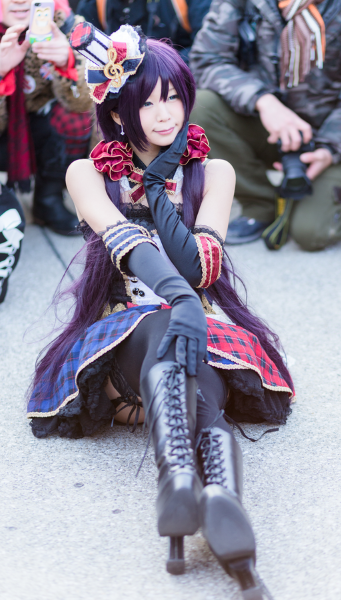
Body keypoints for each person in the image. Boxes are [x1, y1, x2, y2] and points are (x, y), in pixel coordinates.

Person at [27, 21, 294, 598]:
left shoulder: (214, 172)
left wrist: (158, 182)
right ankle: (209, 492)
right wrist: (181, 300)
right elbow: (127, 243)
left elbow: (200, 267)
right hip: (125, 331)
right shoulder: (87, 173)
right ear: (119, 111)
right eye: (147, 102)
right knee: (170, 330)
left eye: (172, 97)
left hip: (199, 331)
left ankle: (196, 487)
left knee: (192, 370)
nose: (164, 113)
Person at [190, 0, 341, 250]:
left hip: (328, 134)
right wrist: (262, 101)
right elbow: (206, 61)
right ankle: (260, 202)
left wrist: (330, 149)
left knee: (313, 233)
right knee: (201, 106)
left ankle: (310, 196)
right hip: (260, 123)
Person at [0, 0, 93, 235]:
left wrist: (67, 64)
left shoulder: (67, 26)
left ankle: (48, 198)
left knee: (77, 119)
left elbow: (85, 103)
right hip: (3, 129)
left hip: (41, 124)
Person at [76, 0, 212, 63]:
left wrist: (159, 70)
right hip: (119, 84)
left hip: (176, 79)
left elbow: (206, 50)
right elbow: (84, 54)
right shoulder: (96, 3)